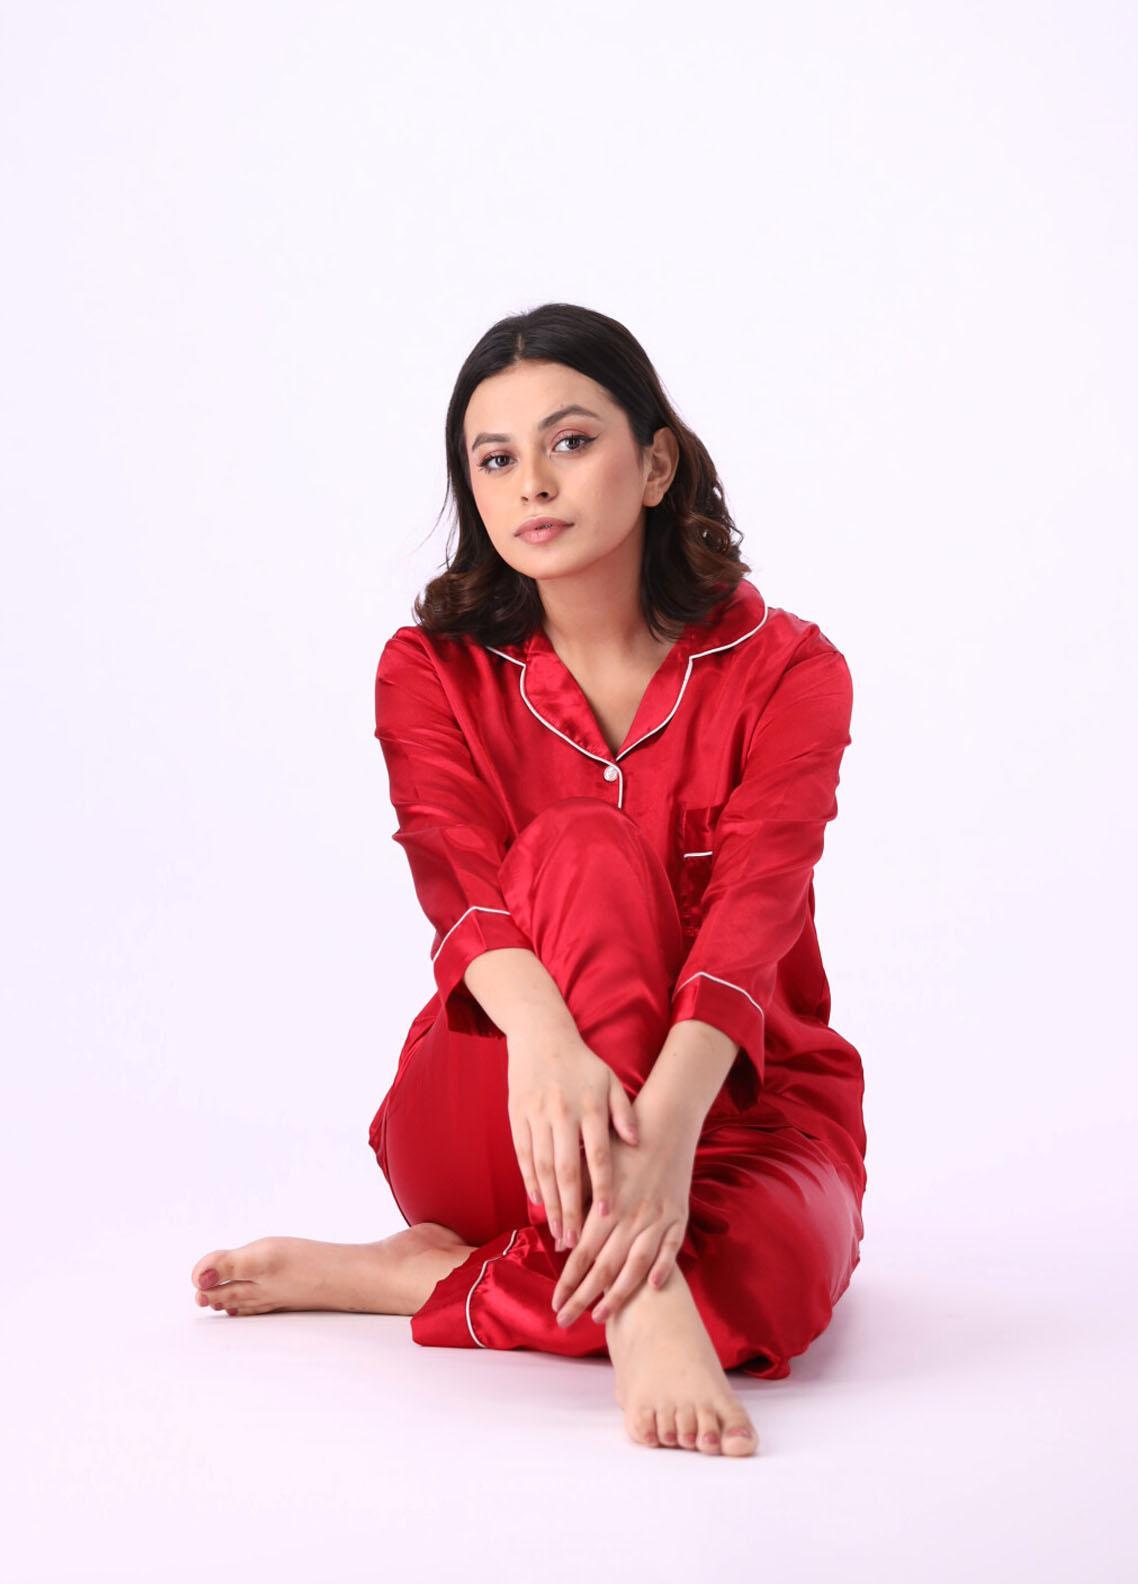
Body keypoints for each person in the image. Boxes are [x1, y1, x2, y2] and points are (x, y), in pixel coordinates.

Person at [190, 302, 867, 1460]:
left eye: (570, 442)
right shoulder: (427, 670)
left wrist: (662, 1141)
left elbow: (756, 913)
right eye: (494, 460)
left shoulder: (787, 669)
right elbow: (457, 884)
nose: (532, 485)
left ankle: (416, 1280)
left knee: (770, 1293)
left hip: (730, 1110)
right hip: (502, 1096)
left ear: (654, 465)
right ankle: (639, 1295)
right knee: (581, 846)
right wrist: (550, 1045)